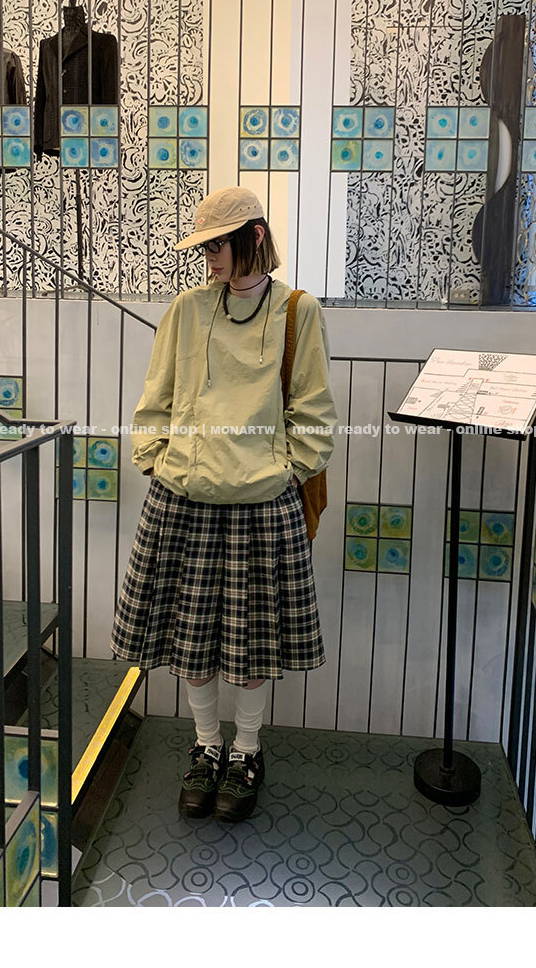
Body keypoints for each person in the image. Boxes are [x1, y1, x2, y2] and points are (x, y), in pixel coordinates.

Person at [111, 186, 337, 823]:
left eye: (217, 246)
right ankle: (207, 746)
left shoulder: (298, 311)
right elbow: (156, 396)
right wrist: (158, 459)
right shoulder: (186, 309)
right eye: (204, 247)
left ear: (254, 238)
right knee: (192, 635)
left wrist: (284, 474)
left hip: (261, 503)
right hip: (183, 497)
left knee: (250, 641)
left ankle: (246, 751)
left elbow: (314, 410)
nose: (207, 258)